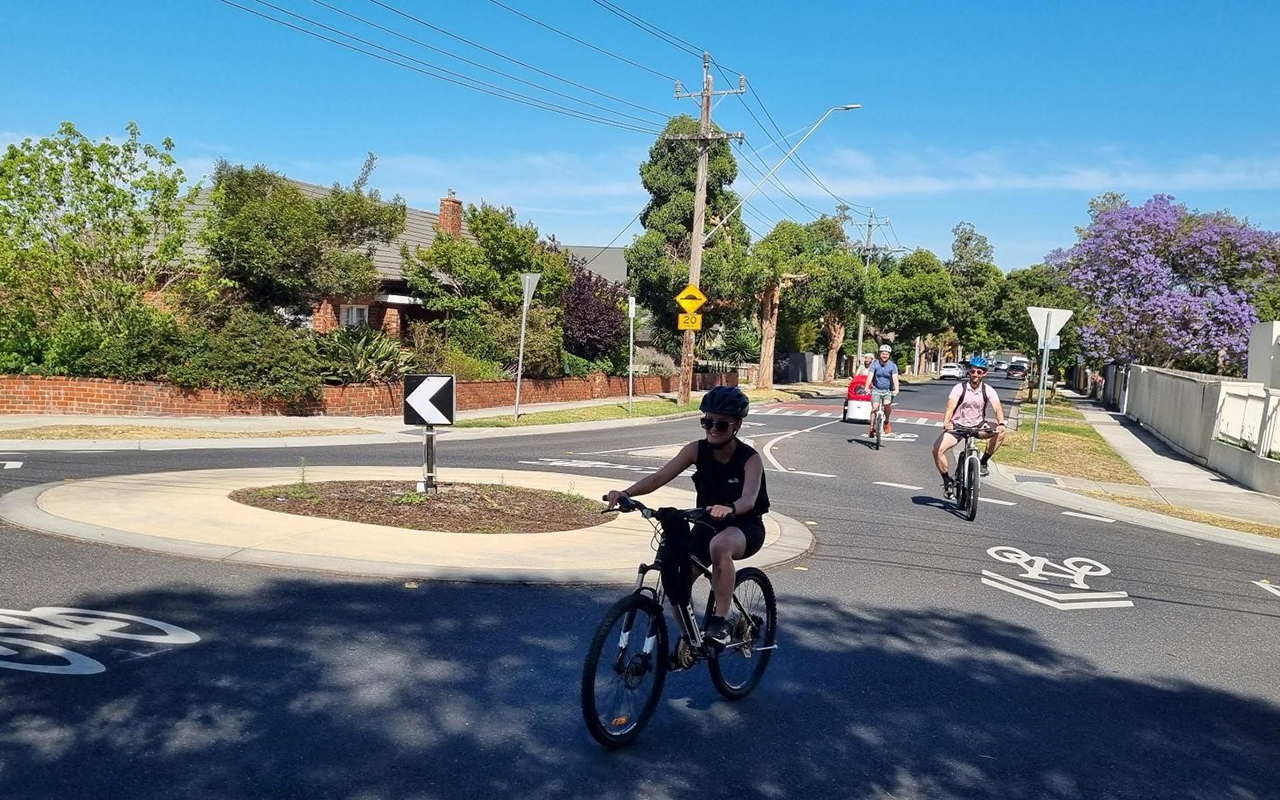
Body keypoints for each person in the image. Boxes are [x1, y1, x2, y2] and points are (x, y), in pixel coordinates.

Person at [604, 385, 769, 647]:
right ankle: (690, 640)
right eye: (707, 422)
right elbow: (659, 477)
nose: (713, 429)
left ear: (737, 425)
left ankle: (720, 622)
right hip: (707, 522)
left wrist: (731, 508)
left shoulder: (750, 459)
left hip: (745, 525)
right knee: (676, 581)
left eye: (721, 424)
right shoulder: (696, 450)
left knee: (720, 545)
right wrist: (626, 493)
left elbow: (749, 499)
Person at [932, 354, 1007, 497]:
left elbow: (997, 408)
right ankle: (947, 480)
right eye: (972, 371)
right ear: (969, 372)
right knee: (937, 450)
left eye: (979, 372)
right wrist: (947, 422)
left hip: (978, 425)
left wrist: (1001, 423)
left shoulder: (988, 390)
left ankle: (983, 462)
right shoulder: (959, 388)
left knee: (1001, 432)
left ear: (984, 373)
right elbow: (950, 407)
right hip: (958, 426)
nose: (975, 374)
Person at [866, 344, 900, 436]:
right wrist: (867, 387)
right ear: (879, 354)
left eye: (887, 354)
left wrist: (896, 389)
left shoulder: (892, 366)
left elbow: (895, 378)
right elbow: (870, 377)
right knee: (875, 407)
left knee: (886, 404)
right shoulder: (874, 365)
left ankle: (887, 422)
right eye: (883, 353)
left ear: (889, 355)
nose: (884, 356)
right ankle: (872, 427)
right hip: (876, 389)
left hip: (888, 390)